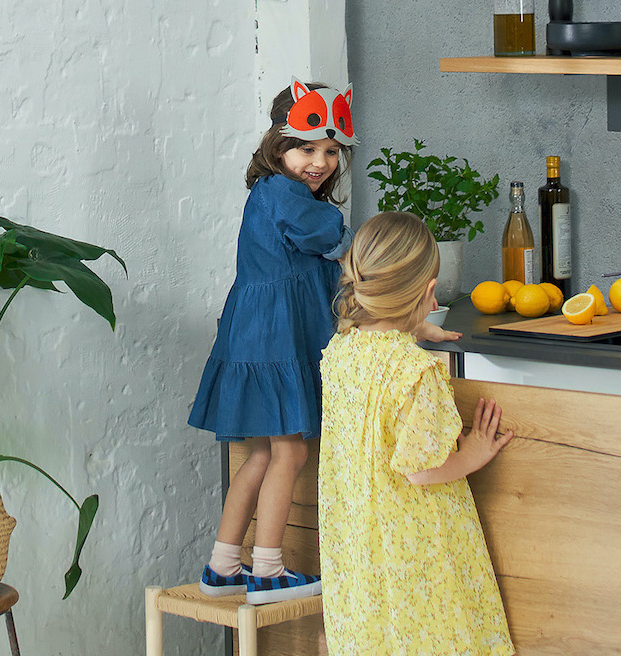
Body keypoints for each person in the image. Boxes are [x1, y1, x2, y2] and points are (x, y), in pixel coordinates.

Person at [188, 79, 458, 605]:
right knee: (289, 451)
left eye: (332, 151)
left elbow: (334, 283)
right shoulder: (288, 199)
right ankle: (266, 569)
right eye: (307, 149)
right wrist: (396, 280)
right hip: (276, 339)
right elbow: (344, 251)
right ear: (278, 146)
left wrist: (409, 321)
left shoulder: (274, 194)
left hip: (259, 334)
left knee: (262, 456)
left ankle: (223, 564)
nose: (321, 162)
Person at [318, 211, 516, 655]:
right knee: (434, 634)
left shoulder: (340, 351)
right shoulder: (414, 372)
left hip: (358, 544)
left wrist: (409, 325)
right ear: (430, 294)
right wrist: (476, 452)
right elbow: (422, 471)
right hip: (413, 545)